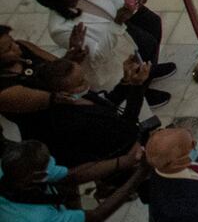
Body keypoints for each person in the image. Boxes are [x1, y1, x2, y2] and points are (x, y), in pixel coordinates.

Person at [30, 0, 168, 105]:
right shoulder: (60, 28)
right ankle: (142, 95)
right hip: (107, 67)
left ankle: (147, 74)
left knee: (146, 46)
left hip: (120, 42)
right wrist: (117, 23)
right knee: (127, 84)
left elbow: (112, 1)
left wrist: (129, 3)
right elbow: (97, 55)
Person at [0, 139, 147, 222]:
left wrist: (126, 161)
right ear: (39, 176)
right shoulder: (39, 221)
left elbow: (72, 176)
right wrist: (140, 173)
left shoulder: (12, 170)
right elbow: (96, 216)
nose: (54, 166)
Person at [15, 58, 145, 168]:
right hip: (122, 152)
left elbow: (109, 102)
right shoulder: (72, 120)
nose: (86, 83)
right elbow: (127, 127)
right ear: (62, 93)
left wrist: (126, 81)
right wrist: (137, 86)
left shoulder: (78, 96)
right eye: (80, 82)